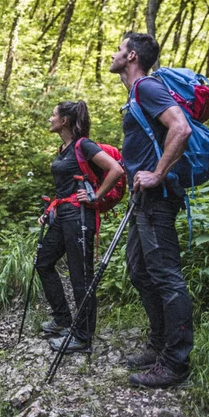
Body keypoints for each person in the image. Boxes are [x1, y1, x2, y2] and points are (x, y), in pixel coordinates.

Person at [109, 32, 194, 388]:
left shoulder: (147, 87)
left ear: (131, 56)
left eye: (118, 49)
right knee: (140, 270)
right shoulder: (136, 94)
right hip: (143, 199)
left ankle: (176, 364)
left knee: (166, 276)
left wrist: (157, 174)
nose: (112, 54)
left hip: (157, 198)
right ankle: (159, 345)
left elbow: (181, 128)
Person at [34, 100, 124, 354]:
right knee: (43, 262)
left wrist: (96, 196)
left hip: (79, 217)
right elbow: (66, 187)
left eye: (53, 115)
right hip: (63, 214)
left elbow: (116, 169)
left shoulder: (83, 145)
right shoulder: (63, 149)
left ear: (64, 121)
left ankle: (83, 337)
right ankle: (63, 320)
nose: (50, 119)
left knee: (80, 276)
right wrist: (50, 210)